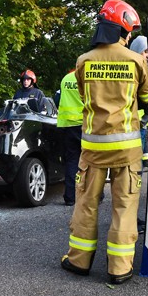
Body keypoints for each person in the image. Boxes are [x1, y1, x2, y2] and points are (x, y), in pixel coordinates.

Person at [61, 0, 148, 284]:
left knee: (86, 203)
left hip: (93, 147)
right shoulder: (136, 61)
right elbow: (147, 101)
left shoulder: (83, 62)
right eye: (130, 31)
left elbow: (87, 98)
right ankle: (120, 269)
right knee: (124, 207)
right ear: (122, 28)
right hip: (127, 148)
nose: (131, 36)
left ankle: (79, 261)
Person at [129, 35, 148, 234]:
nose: (147, 56)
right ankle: (131, 220)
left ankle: (132, 218)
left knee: (136, 177)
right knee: (132, 178)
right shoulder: (137, 70)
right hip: (134, 129)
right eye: (145, 52)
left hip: (139, 127)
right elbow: (146, 98)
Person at [56, 69, 82, 206]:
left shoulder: (66, 79)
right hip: (86, 125)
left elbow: (57, 99)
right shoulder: (86, 76)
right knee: (91, 163)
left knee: (72, 162)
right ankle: (96, 195)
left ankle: (70, 197)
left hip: (68, 126)